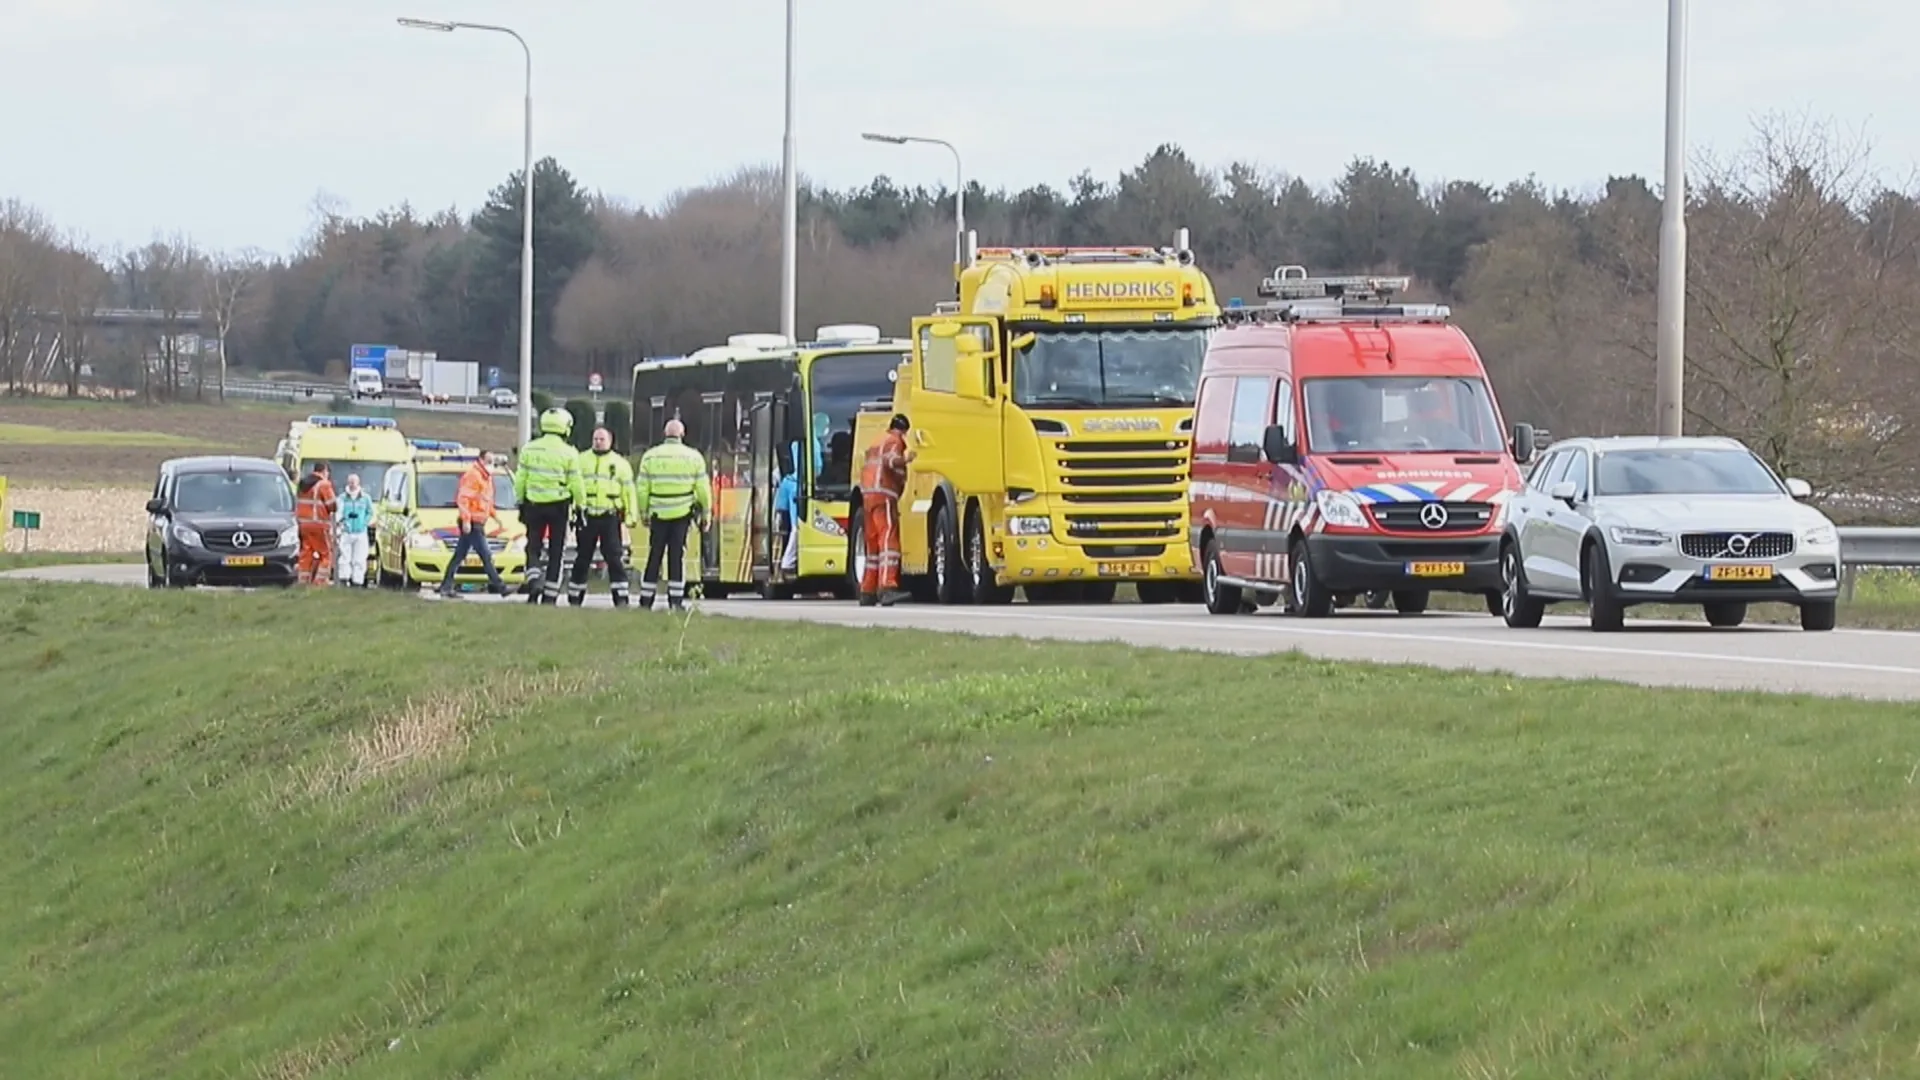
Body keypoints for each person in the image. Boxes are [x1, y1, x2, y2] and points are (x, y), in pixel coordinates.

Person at [634, 418, 711, 612]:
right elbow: (703, 489)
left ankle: (646, 599)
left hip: (658, 515)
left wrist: (643, 512)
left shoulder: (650, 457)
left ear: (664, 434)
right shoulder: (694, 458)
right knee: (676, 556)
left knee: (654, 556)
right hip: (682, 514)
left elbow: (642, 489)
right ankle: (675, 601)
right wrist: (707, 513)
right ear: (682, 435)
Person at [515, 406, 581, 605]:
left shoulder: (529, 448)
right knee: (556, 550)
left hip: (533, 504)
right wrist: (581, 505)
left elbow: (520, 479)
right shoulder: (569, 452)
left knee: (533, 546)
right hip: (559, 507)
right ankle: (550, 595)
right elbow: (576, 483)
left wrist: (520, 501)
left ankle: (534, 579)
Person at [568, 426, 637, 607]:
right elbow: (572, 487)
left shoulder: (620, 464)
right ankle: (575, 597)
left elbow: (629, 491)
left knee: (614, 557)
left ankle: (621, 597)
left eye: (602, 439)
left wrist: (631, 515)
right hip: (587, 515)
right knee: (583, 557)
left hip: (610, 515)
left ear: (610, 441)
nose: (598, 442)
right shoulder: (581, 460)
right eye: (595, 439)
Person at [437, 450, 513, 598]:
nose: (491, 464)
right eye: (489, 460)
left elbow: (486, 502)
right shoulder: (473, 476)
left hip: (477, 522)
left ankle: (445, 586)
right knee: (485, 555)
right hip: (472, 523)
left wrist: (495, 517)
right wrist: (466, 520)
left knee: (459, 555)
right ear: (480, 460)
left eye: (493, 461)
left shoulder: (487, 478)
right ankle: (500, 587)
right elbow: (463, 499)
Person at [858, 413, 915, 606]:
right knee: (888, 541)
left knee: (872, 546)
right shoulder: (894, 441)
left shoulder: (877, 440)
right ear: (902, 430)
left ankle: (867, 591)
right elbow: (892, 461)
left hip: (868, 496)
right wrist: (907, 459)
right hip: (884, 495)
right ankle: (887, 587)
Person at [295, 462, 337, 586]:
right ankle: (320, 582)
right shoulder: (324, 484)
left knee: (306, 553)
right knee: (326, 554)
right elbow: (332, 505)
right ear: (324, 471)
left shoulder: (303, 484)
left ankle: (303, 580)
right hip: (319, 524)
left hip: (303, 524)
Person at [333, 472, 374, 587]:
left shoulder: (365, 498)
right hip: (347, 532)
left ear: (358, 483)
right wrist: (343, 523)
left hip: (360, 533)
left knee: (360, 558)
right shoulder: (342, 498)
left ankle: (357, 582)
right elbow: (338, 513)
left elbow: (370, 513)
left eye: (354, 482)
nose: (352, 484)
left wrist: (364, 523)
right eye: (350, 482)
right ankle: (344, 579)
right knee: (345, 557)